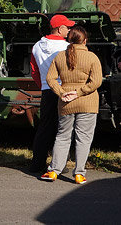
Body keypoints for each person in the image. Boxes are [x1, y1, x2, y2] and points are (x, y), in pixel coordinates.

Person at [39, 26, 102, 185]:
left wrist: (61, 93)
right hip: (87, 102)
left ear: (69, 40)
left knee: (62, 136)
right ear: (85, 40)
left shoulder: (60, 56)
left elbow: (50, 79)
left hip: (66, 103)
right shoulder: (92, 57)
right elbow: (96, 82)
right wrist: (79, 92)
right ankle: (79, 173)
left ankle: (54, 170)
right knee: (83, 138)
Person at [29, 14, 75, 173]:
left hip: (47, 90)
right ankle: (60, 164)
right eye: (67, 27)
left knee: (44, 127)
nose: (69, 30)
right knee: (63, 128)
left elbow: (34, 71)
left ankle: (37, 163)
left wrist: (43, 84)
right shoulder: (67, 47)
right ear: (59, 29)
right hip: (63, 90)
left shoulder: (37, 46)